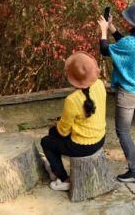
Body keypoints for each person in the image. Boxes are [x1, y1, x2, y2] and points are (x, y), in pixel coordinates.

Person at [98, 1, 135, 183]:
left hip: (128, 93)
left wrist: (103, 31)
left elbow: (105, 50)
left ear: (132, 21)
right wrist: (112, 28)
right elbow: (124, 43)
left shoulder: (130, 43)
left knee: (122, 130)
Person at [40, 52, 107, 191]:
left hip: (82, 146)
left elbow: (63, 131)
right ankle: (58, 170)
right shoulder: (100, 84)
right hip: (100, 138)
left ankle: (64, 178)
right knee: (54, 136)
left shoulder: (72, 99)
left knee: (46, 141)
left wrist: (54, 128)